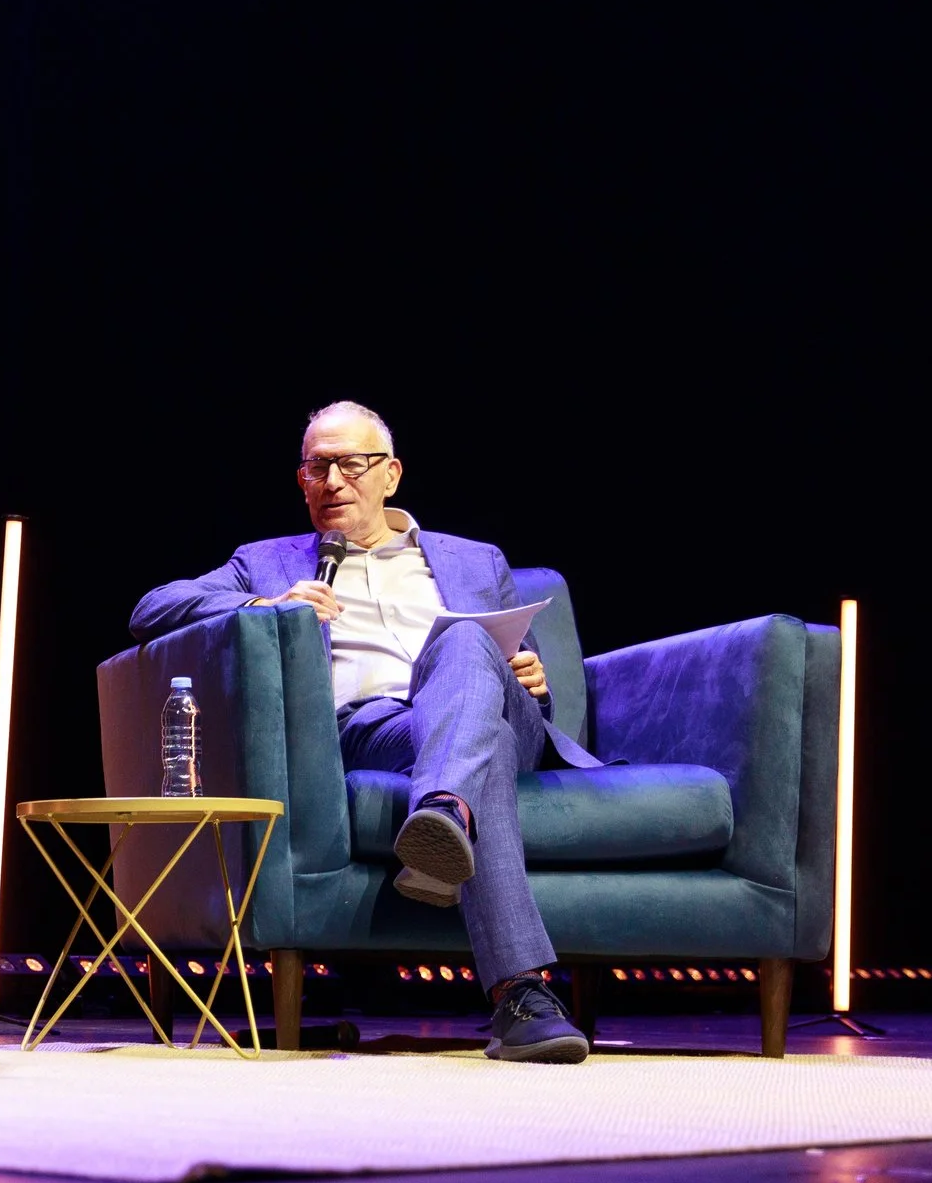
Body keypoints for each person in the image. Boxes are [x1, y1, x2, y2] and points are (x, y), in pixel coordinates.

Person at [130, 400, 594, 1063]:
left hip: (491, 714)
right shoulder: (265, 562)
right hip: (369, 731)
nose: (333, 480)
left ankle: (441, 815)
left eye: (351, 463)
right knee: (473, 741)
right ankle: (518, 984)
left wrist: (526, 671)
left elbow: (510, 650)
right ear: (301, 481)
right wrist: (267, 602)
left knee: (466, 644)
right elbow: (151, 609)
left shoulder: (475, 559)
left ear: (391, 474)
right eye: (317, 467)